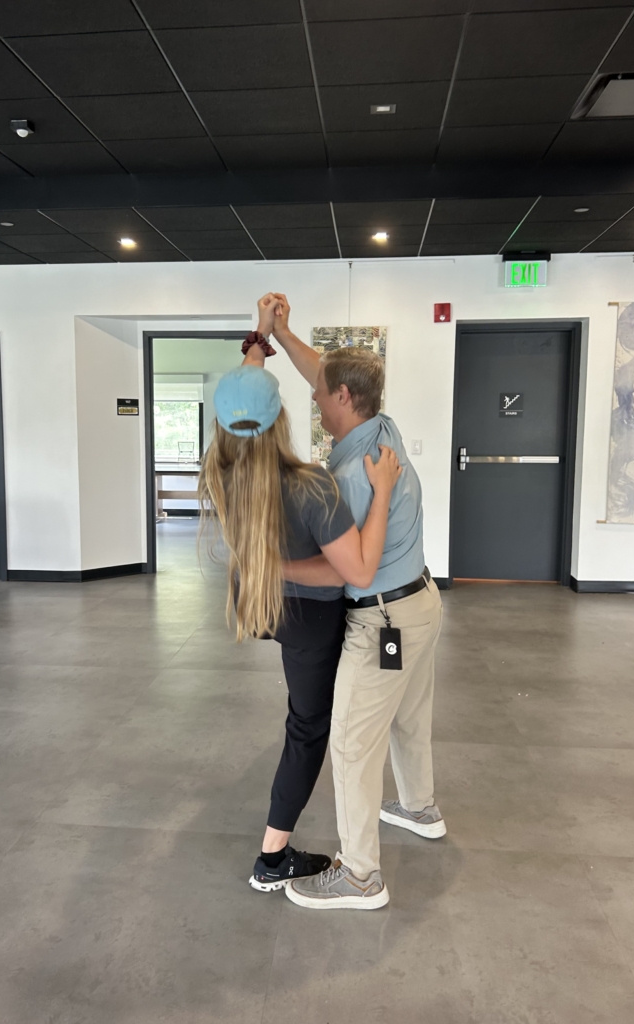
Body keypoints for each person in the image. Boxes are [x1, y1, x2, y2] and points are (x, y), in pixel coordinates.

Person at [198, 293, 402, 894]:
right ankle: (272, 857)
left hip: (273, 612)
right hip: (314, 622)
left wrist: (264, 336)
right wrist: (383, 488)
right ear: (280, 419)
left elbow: (245, 404)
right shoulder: (311, 486)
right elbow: (356, 572)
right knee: (308, 729)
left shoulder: (221, 467)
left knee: (307, 718)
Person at [269, 294, 445, 911]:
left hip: (382, 619)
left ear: (345, 399)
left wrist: (273, 566)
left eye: (322, 393)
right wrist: (283, 333)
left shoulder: (349, 478)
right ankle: (420, 807)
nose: (314, 398)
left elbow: (350, 567)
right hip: (420, 606)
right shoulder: (380, 427)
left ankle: (361, 875)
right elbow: (324, 368)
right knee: (407, 717)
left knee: (350, 740)